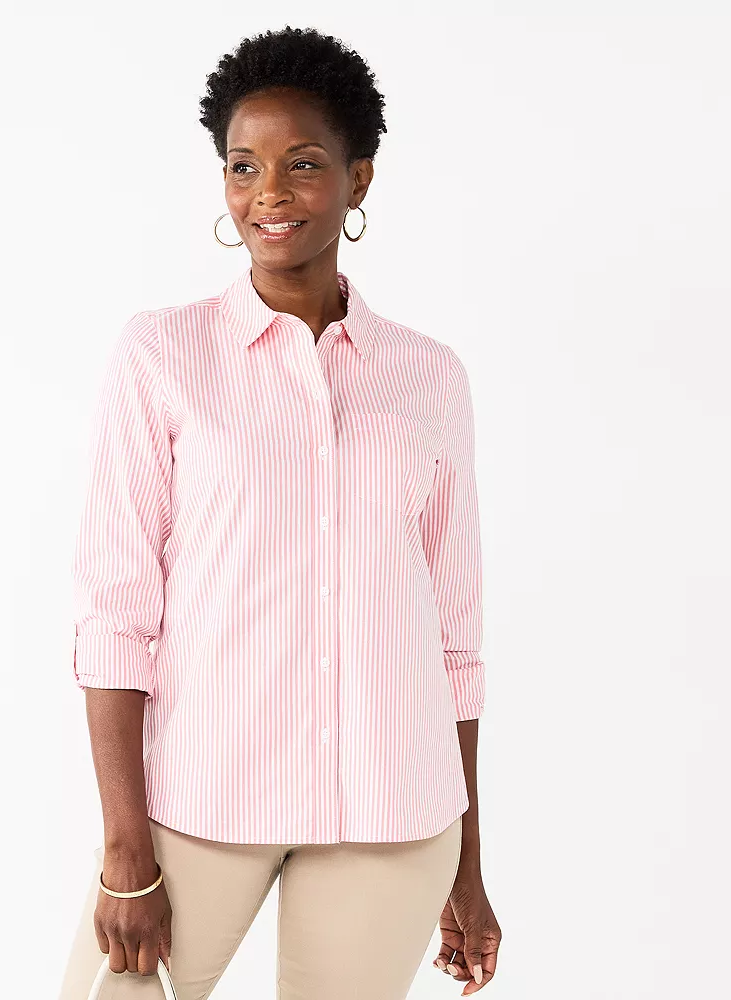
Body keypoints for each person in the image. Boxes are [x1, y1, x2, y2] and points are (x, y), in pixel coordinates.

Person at [58, 25, 502, 1000]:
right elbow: (115, 617)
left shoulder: (428, 377)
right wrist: (124, 850)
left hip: (393, 809)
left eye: (302, 163)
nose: (269, 192)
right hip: (201, 797)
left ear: (358, 177)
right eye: (242, 166)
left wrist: (467, 866)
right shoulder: (161, 356)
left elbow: (455, 641)